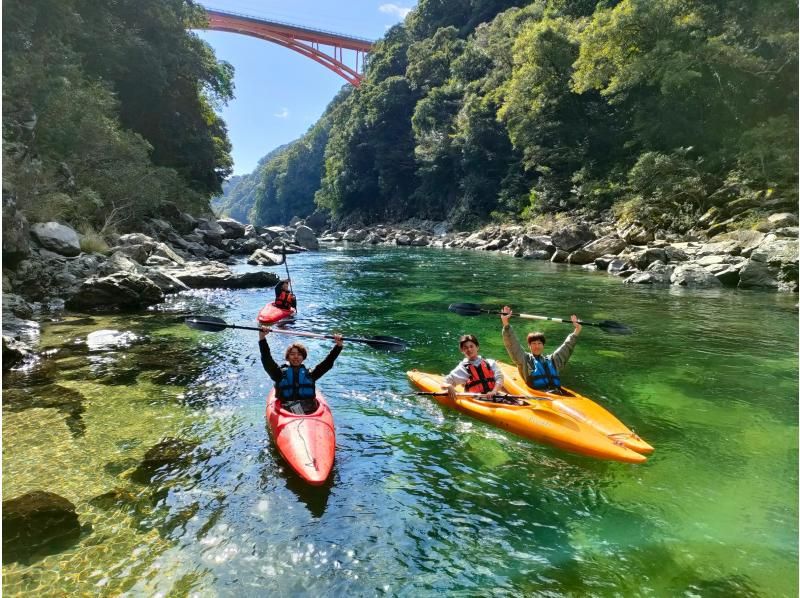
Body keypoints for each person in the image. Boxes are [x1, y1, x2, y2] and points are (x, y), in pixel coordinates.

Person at [259, 325, 343, 415]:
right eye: (292, 354)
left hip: (310, 409)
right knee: (296, 408)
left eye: (299, 354)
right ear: (287, 357)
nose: (296, 357)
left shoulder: (311, 375)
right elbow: (266, 359)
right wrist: (262, 338)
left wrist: (338, 346)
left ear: (303, 357)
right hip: (287, 409)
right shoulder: (279, 374)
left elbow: (327, 363)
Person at [500, 306, 581, 393]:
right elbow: (512, 344)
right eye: (533, 344)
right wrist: (506, 323)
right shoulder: (524, 359)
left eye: (539, 343)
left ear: (543, 345)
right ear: (529, 346)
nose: (537, 346)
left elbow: (567, 346)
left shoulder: (553, 360)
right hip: (540, 397)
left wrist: (577, 329)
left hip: (558, 394)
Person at [441, 334, 505, 402]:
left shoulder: (490, 362)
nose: (469, 349)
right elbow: (444, 383)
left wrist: (494, 391)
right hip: (477, 400)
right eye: (465, 347)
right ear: (462, 350)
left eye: (471, 346)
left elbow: (499, 378)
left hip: (495, 395)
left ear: (477, 347)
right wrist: (448, 386)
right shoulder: (462, 368)